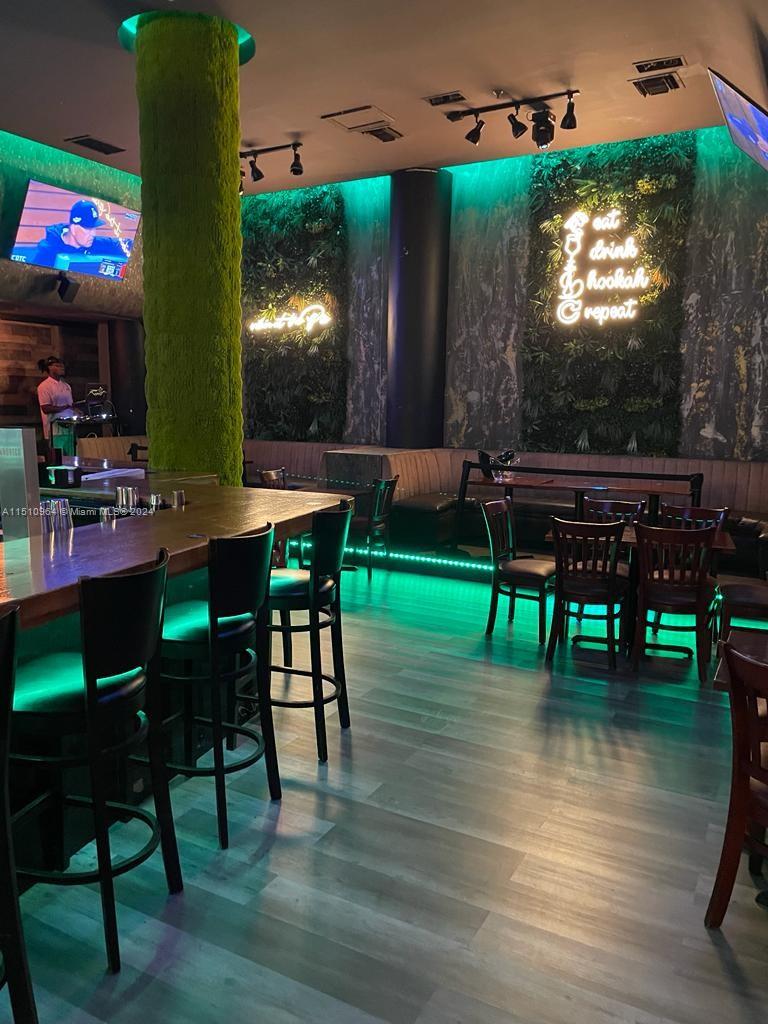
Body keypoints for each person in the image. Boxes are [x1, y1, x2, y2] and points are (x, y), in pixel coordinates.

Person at [31, 200, 129, 269]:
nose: (93, 234)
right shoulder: (48, 251)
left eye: (94, 228)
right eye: (88, 229)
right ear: (73, 229)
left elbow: (122, 245)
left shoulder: (92, 242)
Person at [37, 356, 76, 456]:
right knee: (57, 460)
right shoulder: (44, 386)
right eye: (57, 365)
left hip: (69, 430)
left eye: (62, 365)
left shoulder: (66, 386)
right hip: (54, 431)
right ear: (49, 368)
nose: (62, 367)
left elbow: (71, 405)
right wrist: (64, 408)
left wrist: (77, 410)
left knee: (71, 458)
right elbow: (45, 408)